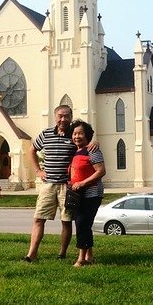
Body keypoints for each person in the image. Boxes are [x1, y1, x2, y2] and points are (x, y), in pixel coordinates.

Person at [24, 105, 97, 263]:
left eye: (66, 116)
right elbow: (31, 150)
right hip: (48, 184)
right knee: (38, 219)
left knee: (66, 221)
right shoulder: (46, 134)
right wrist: (38, 171)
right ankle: (32, 254)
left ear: (71, 117)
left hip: (67, 185)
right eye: (60, 116)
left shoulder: (74, 134)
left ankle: (62, 253)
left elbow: (85, 141)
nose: (63, 119)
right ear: (55, 116)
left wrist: (93, 142)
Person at [69, 120, 105, 267]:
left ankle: (81, 259)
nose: (77, 136)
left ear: (87, 135)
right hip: (78, 195)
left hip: (91, 194)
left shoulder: (92, 150)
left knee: (82, 224)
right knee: (84, 224)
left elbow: (101, 171)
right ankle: (89, 256)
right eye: (75, 133)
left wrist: (83, 183)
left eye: (80, 133)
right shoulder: (75, 151)